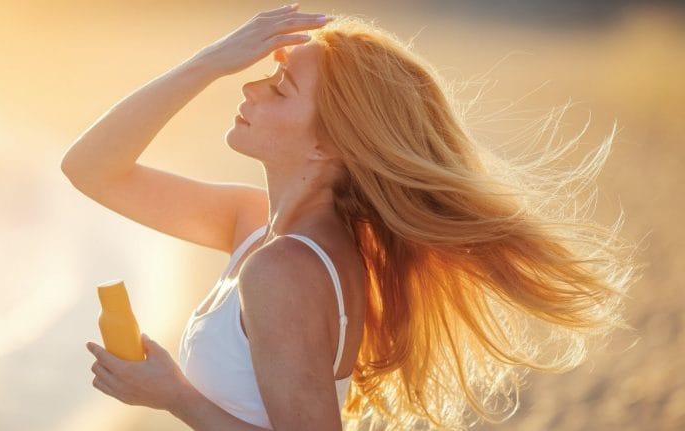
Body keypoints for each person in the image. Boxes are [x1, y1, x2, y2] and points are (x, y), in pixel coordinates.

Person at [65, 4, 643, 430]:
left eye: (281, 86)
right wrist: (210, 61)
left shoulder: (284, 268)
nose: (250, 84)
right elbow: (92, 168)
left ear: (327, 145)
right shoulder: (257, 226)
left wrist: (174, 395)